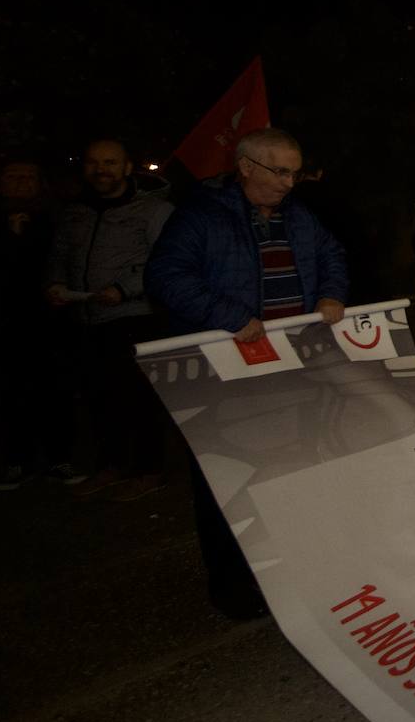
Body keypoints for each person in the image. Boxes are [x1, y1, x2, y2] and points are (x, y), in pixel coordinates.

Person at [146, 127, 348, 619]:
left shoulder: (298, 216)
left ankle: (281, 571)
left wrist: (331, 293)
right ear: (246, 167)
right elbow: (165, 277)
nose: (289, 183)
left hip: (287, 369)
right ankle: (234, 588)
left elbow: (332, 256)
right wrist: (230, 315)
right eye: (279, 171)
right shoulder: (201, 216)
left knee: (284, 469)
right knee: (227, 476)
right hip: (226, 373)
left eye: (295, 172)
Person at [45, 138, 174, 500]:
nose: (102, 170)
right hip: (86, 317)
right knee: (99, 396)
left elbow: (164, 260)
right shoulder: (74, 212)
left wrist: (125, 288)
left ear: (127, 167)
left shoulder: (152, 210)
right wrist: (54, 284)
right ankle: (111, 465)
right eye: (94, 162)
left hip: (134, 317)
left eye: (110, 162)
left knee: (140, 397)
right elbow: (59, 255)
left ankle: (150, 469)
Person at [0, 158, 80, 489]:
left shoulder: (57, 220)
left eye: (30, 177)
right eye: (14, 176)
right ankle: (16, 460)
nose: (23, 183)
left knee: (54, 388)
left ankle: (59, 457)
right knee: (9, 391)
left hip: (49, 321)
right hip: (2, 323)